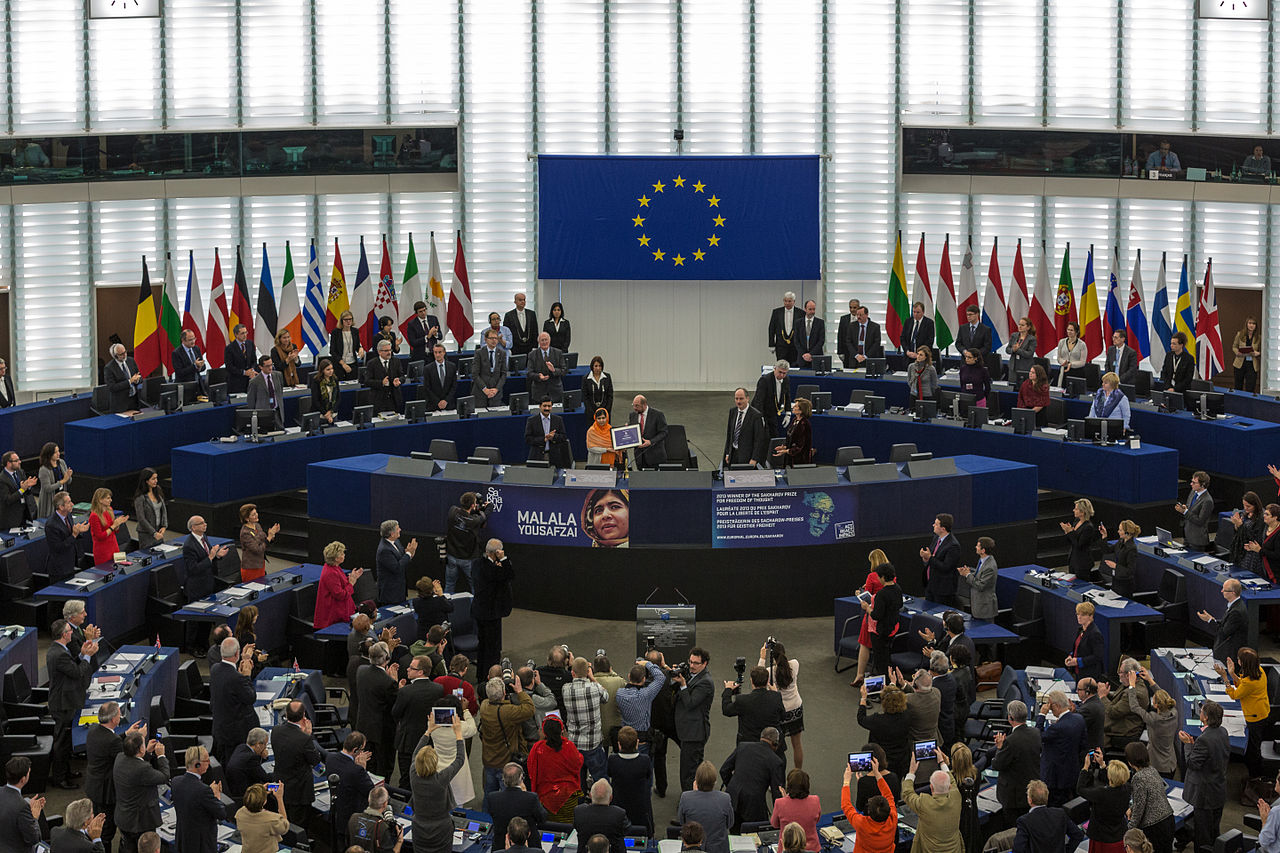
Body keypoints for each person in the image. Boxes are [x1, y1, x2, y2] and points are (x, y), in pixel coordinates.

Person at [49, 618, 99, 788]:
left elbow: (71, 666)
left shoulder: (59, 649)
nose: (73, 633)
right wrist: (88, 657)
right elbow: (77, 673)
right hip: (63, 704)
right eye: (70, 631)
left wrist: (82, 653)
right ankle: (59, 779)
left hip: (65, 700)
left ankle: (65, 772)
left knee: (65, 741)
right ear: (64, 635)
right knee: (61, 744)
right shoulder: (59, 653)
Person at [410, 714, 467, 853]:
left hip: (419, 828)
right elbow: (459, 759)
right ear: (435, 762)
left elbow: (415, 754)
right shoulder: (441, 779)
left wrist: (428, 731)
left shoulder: (413, 774)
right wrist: (458, 733)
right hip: (441, 830)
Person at [85, 702, 135, 853]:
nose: (121, 716)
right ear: (114, 719)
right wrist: (137, 739)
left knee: (96, 823)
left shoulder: (93, 729)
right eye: (119, 714)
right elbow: (126, 758)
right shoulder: (113, 741)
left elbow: (108, 742)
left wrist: (126, 734)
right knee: (106, 831)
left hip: (94, 787)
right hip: (107, 792)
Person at [1180, 701, 1229, 853]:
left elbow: (1192, 763)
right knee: (1214, 831)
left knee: (1203, 836)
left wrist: (1188, 745)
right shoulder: (1223, 731)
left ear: (1205, 718)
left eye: (1201, 711)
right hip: (1218, 790)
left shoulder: (1204, 739)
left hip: (1204, 795)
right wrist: (1195, 746)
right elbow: (1209, 756)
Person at [112, 731, 168, 853]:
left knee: (127, 846)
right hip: (140, 822)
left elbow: (137, 766)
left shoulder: (120, 757)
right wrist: (161, 756)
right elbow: (164, 777)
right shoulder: (142, 769)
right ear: (139, 750)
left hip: (124, 818)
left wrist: (147, 753)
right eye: (143, 744)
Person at [720, 727, 785, 832]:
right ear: (775, 744)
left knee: (734, 835)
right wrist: (780, 817)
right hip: (754, 805)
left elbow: (724, 770)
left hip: (733, 798)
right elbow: (776, 793)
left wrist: (733, 785)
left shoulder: (743, 747)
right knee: (758, 837)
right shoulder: (776, 761)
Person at [1218, 646, 1269, 778]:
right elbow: (1243, 683)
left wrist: (1225, 677)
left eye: (1239, 659)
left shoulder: (1250, 682)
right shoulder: (1259, 671)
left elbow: (1235, 694)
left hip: (1255, 717)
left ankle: (1255, 777)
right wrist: (1232, 674)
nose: (1237, 660)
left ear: (1244, 663)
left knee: (1253, 749)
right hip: (1261, 711)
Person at [901, 751, 963, 853]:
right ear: (950, 787)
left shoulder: (924, 804)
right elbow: (952, 781)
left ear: (931, 787)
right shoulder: (956, 796)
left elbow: (907, 793)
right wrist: (942, 762)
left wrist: (911, 771)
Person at [991, 701, 1040, 827]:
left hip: (1013, 796)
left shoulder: (1010, 741)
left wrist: (1000, 748)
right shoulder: (1036, 733)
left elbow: (997, 765)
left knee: (1013, 828)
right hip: (1030, 790)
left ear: (1010, 718)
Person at [562, 656, 610, 783]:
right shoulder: (595, 688)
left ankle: (580, 802)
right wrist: (593, 678)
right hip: (593, 743)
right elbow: (606, 697)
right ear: (588, 672)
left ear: (573, 673)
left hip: (574, 745)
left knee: (577, 782)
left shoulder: (565, 689)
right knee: (601, 779)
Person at [211, 636, 258, 764]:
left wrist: (243, 659)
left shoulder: (215, 669)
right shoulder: (237, 679)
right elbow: (250, 697)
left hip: (220, 729)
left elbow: (230, 677)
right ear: (237, 653)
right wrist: (247, 675)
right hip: (234, 735)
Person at [673, 646, 714, 792]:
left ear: (705, 664)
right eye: (690, 662)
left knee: (688, 772)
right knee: (691, 769)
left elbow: (690, 703)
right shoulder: (694, 675)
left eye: (696, 663)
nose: (691, 665)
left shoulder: (705, 682)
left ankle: (689, 800)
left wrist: (683, 685)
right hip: (689, 731)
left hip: (694, 734)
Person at [528, 715, 583, 822]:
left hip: (546, 798)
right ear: (562, 731)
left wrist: (540, 738)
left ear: (544, 732)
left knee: (549, 829)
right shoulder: (569, 746)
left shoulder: (538, 749)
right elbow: (578, 763)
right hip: (568, 797)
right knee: (569, 828)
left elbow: (531, 769)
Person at [357, 642, 401, 777]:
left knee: (367, 763)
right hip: (382, 732)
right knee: (383, 767)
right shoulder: (389, 682)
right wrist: (395, 683)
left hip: (363, 725)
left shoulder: (361, 670)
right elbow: (396, 706)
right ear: (387, 659)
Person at [171, 746, 225, 853]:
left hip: (183, 840)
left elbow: (193, 798)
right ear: (197, 764)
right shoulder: (203, 791)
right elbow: (221, 814)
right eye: (206, 760)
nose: (209, 762)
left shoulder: (175, 781)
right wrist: (216, 796)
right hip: (201, 845)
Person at [1037, 690, 1086, 806]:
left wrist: (1042, 715)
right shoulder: (1079, 719)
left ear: (1057, 706)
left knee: (1056, 804)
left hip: (1055, 777)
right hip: (1072, 771)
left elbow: (1038, 736)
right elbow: (1083, 745)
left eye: (1050, 705)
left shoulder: (1057, 728)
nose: (1049, 708)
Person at [1124, 671, 1177, 778]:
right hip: (1171, 763)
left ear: (1155, 705)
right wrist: (1150, 680)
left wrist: (1132, 685)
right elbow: (1164, 696)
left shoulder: (1153, 719)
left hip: (1158, 766)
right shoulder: (1174, 713)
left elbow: (1134, 707)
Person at [473, 539, 515, 676]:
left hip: (479, 611)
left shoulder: (477, 564)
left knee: (483, 645)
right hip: (492, 614)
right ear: (496, 553)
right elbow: (510, 575)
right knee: (493, 648)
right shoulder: (494, 571)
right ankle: (491, 676)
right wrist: (503, 559)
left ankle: (481, 674)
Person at [1009, 780, 1085, 853]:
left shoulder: (1024, 821)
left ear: (1030, 800)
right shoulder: (1060, 813)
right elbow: (1078, 835)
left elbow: (1018, 849)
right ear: (1047, 797)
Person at [325, 730, 374, 844]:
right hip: (352, 818)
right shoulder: (357, 771)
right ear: (355, 750)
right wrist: (363, 768)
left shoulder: (330, 758)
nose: (362, 753)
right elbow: (371, 791)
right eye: (362, 750)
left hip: (336, 813)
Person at [485, 764, 548, 851]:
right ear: (521, 778)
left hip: (501, 845)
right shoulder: (531, 798)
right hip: (529, 846)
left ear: (503, 779)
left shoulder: (493, 798)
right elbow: (542, 818)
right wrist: (525, 793)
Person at [761, 640, 804, 767]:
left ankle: (776, 776)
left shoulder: (769, 672)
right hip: (796, 710)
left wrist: (762, 657)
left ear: (772, 657)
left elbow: (758, 674)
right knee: (797, 745)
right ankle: (798, 772)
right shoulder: (795, 664)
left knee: (776, 747)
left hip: (780, 712)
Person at [851, 549, 891, 686]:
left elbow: (866, 597)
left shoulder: (871, 576)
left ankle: (859, 675)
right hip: (886, 617)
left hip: (871, 616)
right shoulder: (892, 576)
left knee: (864, 644)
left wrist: (858, 592)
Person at [1125, 743, 1174, 853]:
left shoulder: (1138, 778)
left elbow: (1139, 807)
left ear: (1130, 762)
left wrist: (1129, 830)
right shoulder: (1152, 770)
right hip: (1168, 821)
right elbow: (1148, 797)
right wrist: (1132, 808)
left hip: (1155, 828)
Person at [840, 756, 896, 853]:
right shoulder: (893, 818)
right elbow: (889, 795)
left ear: (869, 811)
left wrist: (846, 780)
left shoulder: (862, 824)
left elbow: (846, 805)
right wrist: (877, 773)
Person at [722, 666, 785, 750]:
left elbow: (726, 710)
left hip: (748, 747)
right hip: (772, 747)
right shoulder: (776, 696)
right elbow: (783, 716)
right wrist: (775, 693)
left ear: (752, 681)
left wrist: (728, 690)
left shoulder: (742, 700)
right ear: (767, 682)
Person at [677, 762, 734, 853]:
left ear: (696, 780)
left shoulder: (686, 798)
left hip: (692, 848)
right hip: (718, 849)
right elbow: (729, 824)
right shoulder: (725, 799)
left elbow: (682, 822)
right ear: (715, 781)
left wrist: (693, 793)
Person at [857, 683, 910, 777]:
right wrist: (893, 686)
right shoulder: (907, 715)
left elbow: (861, 719)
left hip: (882, 760)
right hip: (902, 759)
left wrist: (863, 698)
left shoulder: (877, 720)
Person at [608, 727, 653, 834]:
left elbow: (609, 773)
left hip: (619, 804)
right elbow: (648, 776)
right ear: (637, 743)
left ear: (619, 744)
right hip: (640, 804)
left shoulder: (613, 760)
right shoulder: (645, 760)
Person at [314, 540, 366, 630]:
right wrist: (351, 583)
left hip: (340, 608)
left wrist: (353, 577)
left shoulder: (335, 567)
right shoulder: (330, 573)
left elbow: (341, 583)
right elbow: (340, 595)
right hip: (333, 615)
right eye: (342, 554)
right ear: (336, 558)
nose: (344, 555)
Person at [445, 492, 489, 593]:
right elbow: (484, 516)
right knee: (474, 586)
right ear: (473, 505)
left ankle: (446, 605)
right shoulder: (473, 521)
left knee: (449, 584)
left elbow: (464, 515)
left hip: (451, 556)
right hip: (467, 560)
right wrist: (487, 507)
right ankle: (475, 608)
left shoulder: (452, 511)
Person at [865, 562, 902, 677]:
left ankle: (883, 686)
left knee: (881, 661)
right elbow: (900, 605)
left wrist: (867, 608)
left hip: (881, 632)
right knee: (886, 658)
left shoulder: (881, 594)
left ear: (883, 577)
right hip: (892, 628)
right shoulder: (897, 588)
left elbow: (876, 615)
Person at [770, 769, 819, 852]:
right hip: (812, 848)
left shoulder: (780, 803)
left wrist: (785, 800)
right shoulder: (815, 800)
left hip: (787, 849)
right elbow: (816, 820)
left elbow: (774, 824)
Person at [183, 515, 230, 602]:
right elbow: (193, 569)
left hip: (208, 582)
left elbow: (207, 557)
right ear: (193, 527)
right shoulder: (189, 546)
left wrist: (217, 555)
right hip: (197, 587)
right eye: (201, 523)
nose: (205, 524)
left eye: (204, 522)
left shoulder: (203, 537)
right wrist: (211, 556)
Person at [0, 757, 42, 853]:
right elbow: (33, 838)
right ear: (23, 779)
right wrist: (34, 817)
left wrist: (26, 804)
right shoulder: (21, 806)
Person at [44, 492, 87, 584]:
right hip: (58, 568)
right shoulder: (51, 525)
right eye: (69, 502)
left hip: (70, 564)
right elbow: (58, 548)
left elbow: (71, 534)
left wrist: (79, 532)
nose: (72, 504)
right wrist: (74, 535)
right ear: (61, 507)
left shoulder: (68, 516)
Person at [235, 783, 290, 853]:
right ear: (264, 801)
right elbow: (285, 826)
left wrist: (258, 792)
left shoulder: (240, 814)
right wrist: (279, 798)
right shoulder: (271, 820)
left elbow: (249, 804)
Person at [921, 513, 961, 606]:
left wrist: (930, 558)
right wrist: (925, 559)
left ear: (943, 528)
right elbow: (931, 558)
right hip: (930, 585)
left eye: (936, 524)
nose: (933, 525)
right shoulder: (936, 538)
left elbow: (946, 567)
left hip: (942, 590)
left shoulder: (953, 546)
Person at [946, 745, 980, 853]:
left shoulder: (951, 780)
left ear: (954, 761)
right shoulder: (976, 774)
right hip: (972, 817)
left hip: (957, 821)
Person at [375, 519, 416, 606]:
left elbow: (401, 558)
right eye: (398, 528)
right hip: (390, 593)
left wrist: (409, 553)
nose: (400, 529)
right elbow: (397, 568)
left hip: (399, 589)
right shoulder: (384, 550)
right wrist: (408, 553)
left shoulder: (396, 541)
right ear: (392, 533)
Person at [724, 387, 768, 469]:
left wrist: (754, 458)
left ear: (747, 398)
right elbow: (729, 434)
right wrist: (727, 453)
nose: (738, 401)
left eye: (741, 399)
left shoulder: (756, 415)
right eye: (736, 399)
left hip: (747, 457)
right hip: (733, 455)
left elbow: (759, 440)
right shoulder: (732, 412)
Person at [956, 537, 997, 619]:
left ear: (983, 550)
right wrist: (966, 572)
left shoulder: (990, 567)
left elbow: (980, 585)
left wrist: (968, 575)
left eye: (978, 546)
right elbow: (979, 575)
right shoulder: (982, 560)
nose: (976, 547)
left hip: (984, 608)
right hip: (977, 604)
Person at [526, 397, 572, 468]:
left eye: (549, 406)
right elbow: (528, 439)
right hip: (537, 456)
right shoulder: (532, 420)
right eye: (544, 406)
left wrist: (554, 437)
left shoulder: (558, 419)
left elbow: (563, 437)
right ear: (540, 406)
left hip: (555, 456)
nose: (547, 408)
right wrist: (543, 439)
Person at [1061, 498, 1100, 582]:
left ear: (1082, 512)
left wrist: (1070, 532)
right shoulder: (1076, 521)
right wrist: (1067, 532)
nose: (1073, 510)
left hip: (1082, 563)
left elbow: (1079, 545)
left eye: (1076, 509)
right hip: (1073, 560)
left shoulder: (1088, 527)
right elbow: (1071, 542)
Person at [1064, 601, 1104, 682]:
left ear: (1090, 616)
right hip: (1079, 671)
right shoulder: (1081, 630)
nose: (1079, 617)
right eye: (1078, 614)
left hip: (1089, 674)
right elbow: (1078, 647)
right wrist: (1071, 656)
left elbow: (1097, 656)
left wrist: (1078, 661)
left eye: (1083, 615)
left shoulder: (1095, 634)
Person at [87, 487, 128, 567]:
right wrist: (114, 525)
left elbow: (115, 531)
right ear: (100, 500)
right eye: (108, 498)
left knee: (119, 569)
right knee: (106, 573)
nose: (111, 500)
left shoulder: (109, 510)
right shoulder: (94, 516)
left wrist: (118, 523)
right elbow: (100, 536)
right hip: (103, 551)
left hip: (114, 547)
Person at [237, 503, 278, 582]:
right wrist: (269, 537)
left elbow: (264, 541)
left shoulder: (257, 525)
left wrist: (272, 535)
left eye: (256, 513)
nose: (256, 515)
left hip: (260, 564)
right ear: (247, 518)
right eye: (253, 514)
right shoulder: (245, 533)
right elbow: (257, 549)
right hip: (251, 568)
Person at [1228, 491, 1266, 574]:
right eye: (1244, 505)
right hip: (1241, 549)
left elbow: (1255, 537)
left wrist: (1241, 526)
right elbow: (1239, 532)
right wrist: (1236, 525)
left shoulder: (1261, 518)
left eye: (1248, 506)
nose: (1245, 508)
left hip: (1252, 553)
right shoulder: (1244, 514)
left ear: (1256, 505)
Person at [225, 727, 270, 797]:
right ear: (258, 745)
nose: (265, 748)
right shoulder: (251, 759)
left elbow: (252, 768)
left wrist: (262, 757)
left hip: (233, 788)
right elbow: (265, 778)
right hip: (245, 795)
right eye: (265, 744)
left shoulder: (241, 747)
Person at [752, 361, 792, 438]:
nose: (782, 375)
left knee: (774, 435)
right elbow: (759, 401)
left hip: (773, 412)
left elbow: (787, 396)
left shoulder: (786, 379)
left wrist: (788, 414)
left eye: (784, 373)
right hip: (762, 411)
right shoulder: (765, 380)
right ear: (774, 369)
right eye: (780, 372)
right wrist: (760, 418)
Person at [1100, 519, 1139, 598]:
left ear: (1127, 532)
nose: (1118, 531)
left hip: (1125, 584)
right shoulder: (1121, 542)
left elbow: (1130, 571)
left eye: (1120, 530)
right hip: (1116, 580)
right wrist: (1104, 536)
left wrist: (1115, 566)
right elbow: (1106, 550)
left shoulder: (1132, 548)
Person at [1176, 470, 1214, 551]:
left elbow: (1200, 521)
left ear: (1202, 485)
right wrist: (1184, 508)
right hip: (1187, 536)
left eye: (1194, 482)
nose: (1191, 484)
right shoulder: (1193, 492)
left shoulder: (1207, 501)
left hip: (1197, 540)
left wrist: (1185, 512)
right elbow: (1190, 508)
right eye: (1191, 481)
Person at [245, 355, 285, 429]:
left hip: (277, 412)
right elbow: (251, 402)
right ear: (260, 367)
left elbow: (280, 392)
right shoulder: (254, 382)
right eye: (267, 366)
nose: (270, 368)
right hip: (263, 414)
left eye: (271, 365)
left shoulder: (278, 375)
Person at [628, 395, 668, 469]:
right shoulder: (632, 415)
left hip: (655, 456)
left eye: (637, 406)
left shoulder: (658, 415)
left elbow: (664, 432)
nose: (634, 408)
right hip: (640, 456)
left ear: (644, 405)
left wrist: (650, 442)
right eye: (633, 405)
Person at [473, 328, 510, 406]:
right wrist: (485, 389)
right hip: (481, 393)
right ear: (486, 339)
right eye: (491, 338)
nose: (494, 340)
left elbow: (503, 374)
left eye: (496, 338)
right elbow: (475, 374)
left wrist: (496, 389)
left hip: (496, 394)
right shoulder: (479, 353)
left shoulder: (502, 353)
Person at [131, 467, 167, 547]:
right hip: (146, 534)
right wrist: (153, 533)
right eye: (153, 479)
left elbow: (163, 510)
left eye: (156, 478)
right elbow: (141, 518)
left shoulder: (158, 490)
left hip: (159, 531)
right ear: (146, 481)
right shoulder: (140, 497)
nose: (156, 481)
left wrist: (164, 526)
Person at [367, 338, 405, 413]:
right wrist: (381, 382)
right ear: (379, 352)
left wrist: (399, 381)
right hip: (378, 400)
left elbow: (403, 376)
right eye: (386, 351)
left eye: (390, 350)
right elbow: (367, 381)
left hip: (394, 399)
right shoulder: (372, 363)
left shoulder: (396, 361)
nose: (389, 352)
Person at [36, 442, 73, 519]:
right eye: (55, 452)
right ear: (49, 454)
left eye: (58, 451)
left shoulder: (61, 463)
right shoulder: (44, 469)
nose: (58, 454)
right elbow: (47, 488)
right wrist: (63, 481)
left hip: (62, 498)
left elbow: (69, 481)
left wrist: (68, 476)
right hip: (49, 500)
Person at [103, 343, 144, 413]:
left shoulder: (131, 361)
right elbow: (112, 387)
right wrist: (129, 381)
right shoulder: (109, 368)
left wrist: (137, 380)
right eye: (121, 354)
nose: (125, 355)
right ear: (115, 356)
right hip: (120, 405)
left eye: (125, 352)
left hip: (134, 400)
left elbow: (140, 376)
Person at [771, 398, 812, 467]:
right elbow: (793, 440)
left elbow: (800, 446)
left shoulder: (804, 424)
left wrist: (786, 451)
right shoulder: (795, 420)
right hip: (791, 458)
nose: (793, 407)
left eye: (795, 406)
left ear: (801, 410)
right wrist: (784, 447)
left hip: (800, 461)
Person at [528, 331, 567, 403]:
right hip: (539, 392)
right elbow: (529, 373)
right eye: (542, 340)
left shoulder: (558, 353)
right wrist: (539, 376)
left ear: (550, 340)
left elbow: (564, 370)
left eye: (546, 340)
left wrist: (554, 370)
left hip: (555, 391)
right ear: (538, 342)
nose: (544, 342)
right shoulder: (532, 355)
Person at [413, 575, 453, 641]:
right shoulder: (439, 601)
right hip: (440, 637)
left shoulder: (416, 602)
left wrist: (431, 591)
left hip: (424, 637)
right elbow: (450, 608)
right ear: (432, 589)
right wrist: (441, 594)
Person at [768, 292, 804, 365]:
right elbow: (771, 328)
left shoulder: (801, 313)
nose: (787, 303)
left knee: (794, 367)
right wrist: (771, 344)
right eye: (785, 301)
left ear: (794, 301)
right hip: (781, 346)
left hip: (795, 347)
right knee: (781, 367)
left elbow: (803, 331)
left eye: (789, 301)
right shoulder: (776, 312)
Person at [1246, 505, 1280, 583]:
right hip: (1264, 568)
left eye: (1267, 514)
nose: (1264, 516)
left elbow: (1277, 555)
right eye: (1264, 513)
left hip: (1276, 572)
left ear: (1275, 517)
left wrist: (1260, 550)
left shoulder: (1278, 533)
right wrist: (1253, 547)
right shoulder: (1265, 527)